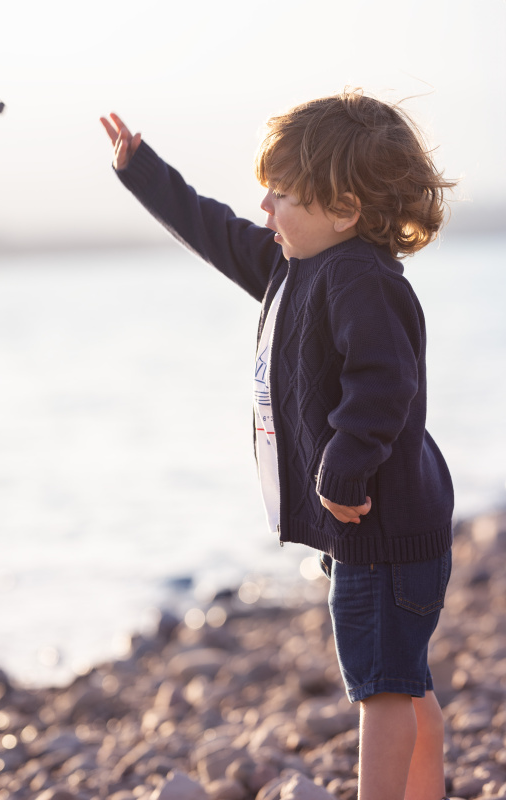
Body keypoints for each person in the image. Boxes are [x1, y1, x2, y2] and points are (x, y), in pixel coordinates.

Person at [100, 90, 456, 800]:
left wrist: (345, 473)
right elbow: (216, 230)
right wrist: (143, 171)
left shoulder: (363, 281)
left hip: (380, 527)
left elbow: (385, 385)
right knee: (402, 677)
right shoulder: (296, 263)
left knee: (381, 689)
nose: (265, 209)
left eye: (282, 195)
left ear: (346, 209)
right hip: (369, 525)